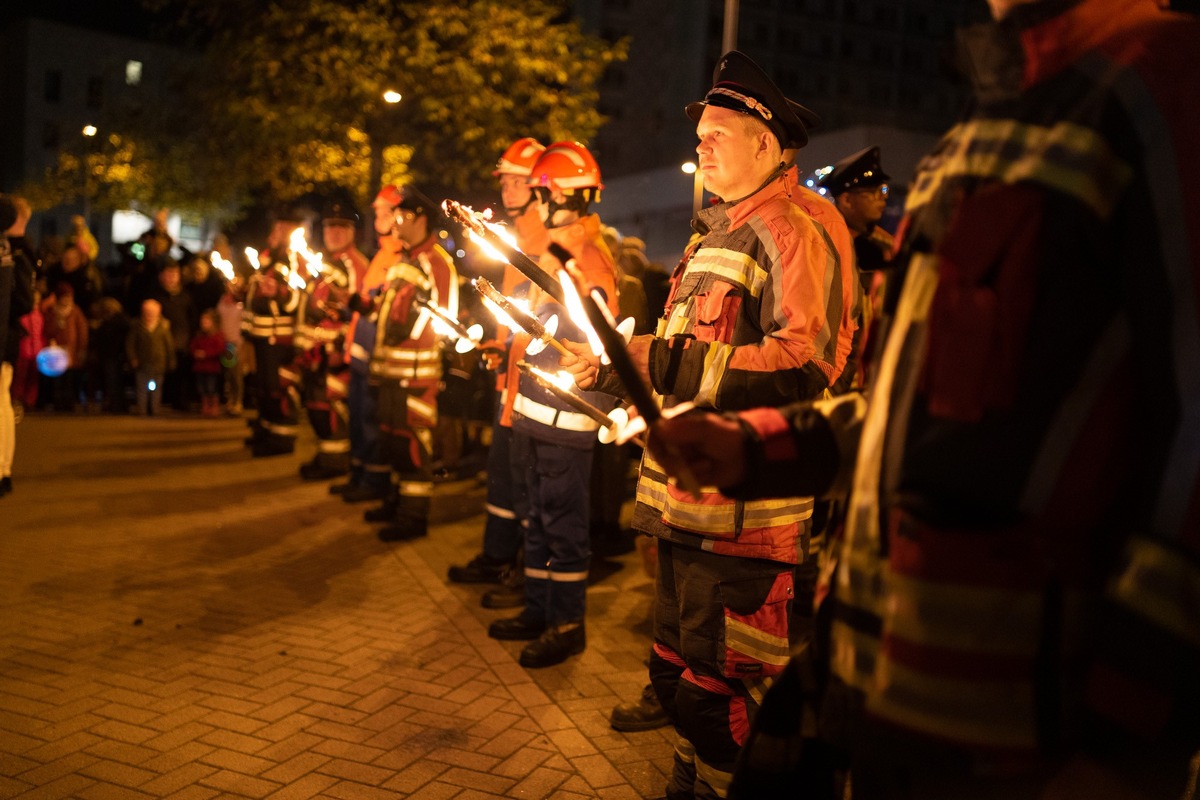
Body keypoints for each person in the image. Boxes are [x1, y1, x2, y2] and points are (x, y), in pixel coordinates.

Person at [642, 2, 1200, 797]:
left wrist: (1124, 738)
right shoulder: (1003, 108)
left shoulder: (1162, 86)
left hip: (1029, 732)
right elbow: (930, 408)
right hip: (896, 684)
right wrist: (759, 448)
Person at [561, 51, 859, 799]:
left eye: (717, 131)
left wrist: (652, 359)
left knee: (719, 689)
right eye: (701, 133)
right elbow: (682, 359)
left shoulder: (792, 228)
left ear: (766, 142)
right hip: (685, 505)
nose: (700, 144)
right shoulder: (713, 234)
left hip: (746, 516)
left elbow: (805, 366)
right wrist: (607, 366)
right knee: (675, 673)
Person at [486, 140, 621, 669]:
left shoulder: (587, 261)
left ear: (566, 198)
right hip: (535, 413)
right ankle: (539, 610)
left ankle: (567, 624)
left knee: (564, 527)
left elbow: (596, 342)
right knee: (539, 521)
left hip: (565, 420)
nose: (537, 205)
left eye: (544, 194)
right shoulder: (554, 253)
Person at [447, 137, 548, 608]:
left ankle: (522, 567)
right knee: (502, 475)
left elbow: (546, 316)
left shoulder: (541, 239)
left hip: (533, 380)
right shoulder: (512, 236)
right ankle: (497, 554)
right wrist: (498, 343)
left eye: (517, 180)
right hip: (511, 373)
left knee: (523, 480)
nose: (508, 189)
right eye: (504, 180)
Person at [362, 186, 459, 543]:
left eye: (402, 215)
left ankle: (413, 516)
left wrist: (411, 325)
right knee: (393, 442)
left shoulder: (437, 263)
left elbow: (445, 319)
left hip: (417, 376)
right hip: (391, 371)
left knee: (413, 445)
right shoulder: (404, 260)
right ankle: (396, 502)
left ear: (420, 218)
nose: (395, 222)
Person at [332, 186, 407, 502]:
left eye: (384, 211)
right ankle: (359, 473)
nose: (379, 216)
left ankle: (373, 482)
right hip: (362, 353)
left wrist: (358, 303)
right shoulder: (382, 253)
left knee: (372, 420)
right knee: (359, 417)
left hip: (378, 357)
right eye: (377, 211)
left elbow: (384, 308)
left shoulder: (399, 255)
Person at [295, 200, 368, 480]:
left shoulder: (356, 265)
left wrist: (341, 346)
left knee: (332, 406)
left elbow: (359, 313)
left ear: (352, 232)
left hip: (337, 352)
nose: (334, 233)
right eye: (329, 228)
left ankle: (337, 460)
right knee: (316, 405)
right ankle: (327, 454)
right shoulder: (323, 262)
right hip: (316, 349)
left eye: (342, 228)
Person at [241, 207, 303, 456]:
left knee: (279, 387)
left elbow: (296, 299)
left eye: (281, 227)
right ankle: (267, 430)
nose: (275, 232)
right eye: (275, 226)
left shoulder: (295, 260)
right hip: (263, 336)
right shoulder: (271, 260)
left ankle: (282, 437)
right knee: (265, 386)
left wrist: (276, 292)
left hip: (280, 337)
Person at [1, 194, 36, 498]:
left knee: (2, 404)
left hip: (6, 337)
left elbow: (23, 301)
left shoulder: (17, 253)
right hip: (7, 335)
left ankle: (3, 469)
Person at [818, 145, 894, 287]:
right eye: (873, 192)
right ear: (847, 200)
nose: (883, 197)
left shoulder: (884, 243)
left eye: (883, 190)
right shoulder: (827, 245)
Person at [150, 260, 197, 412]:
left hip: (182, 340)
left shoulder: (185, 295)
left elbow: (192, 317)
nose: (171, 277)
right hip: (162, 341)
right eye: (168, 274)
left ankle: (181, 401)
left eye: (174, 274)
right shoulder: (155, 295)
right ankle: (159, 401)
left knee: (181, 373)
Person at [40, 282, 89, 412]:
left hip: (70, 351)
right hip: (56, 351)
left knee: (70, 378)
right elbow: (46, 329)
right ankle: (58, 402)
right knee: (57, 379)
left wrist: (81, 348)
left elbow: (82, 330)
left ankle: (69, 402)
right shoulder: (52, 312)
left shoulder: (75, 311)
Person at [125, 298, 174, 416]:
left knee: (157, 389)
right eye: (147, 312)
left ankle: (155, 409)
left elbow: (169, 346)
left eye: (152, 313)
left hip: (159, 363)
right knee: (141, 388)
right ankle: (142, 409)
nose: (149, 315)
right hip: (142, 363)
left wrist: (171, 360)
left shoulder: (163, 328)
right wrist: (133, 358)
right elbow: (130, 344)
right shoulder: (137, 327)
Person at [189, 309, 226, 417]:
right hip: (200, 367)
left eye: (206, 321)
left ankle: (213, 406)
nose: (203, 324)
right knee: (202, 388)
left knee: (211, 388)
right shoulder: (199, 335)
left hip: (212, 367)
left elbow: (220, 349)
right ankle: (205, 405)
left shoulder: (217, 336)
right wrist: (195, 352)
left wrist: (206, 354)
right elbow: (192, 346)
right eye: (202, 321)